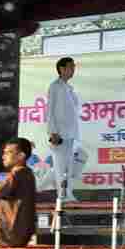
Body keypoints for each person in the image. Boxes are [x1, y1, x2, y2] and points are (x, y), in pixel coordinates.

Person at [46, 56, 83, 202]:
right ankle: (62, 196)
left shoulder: (68, 87)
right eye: (70, 67)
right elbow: (49, 111)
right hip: (59, 133)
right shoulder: (55, 86)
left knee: (69, 166)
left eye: (74, 67)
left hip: (71, 133)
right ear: (61, 69)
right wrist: (53, 132)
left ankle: (67, 193)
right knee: (61, 167)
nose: (73, 69)